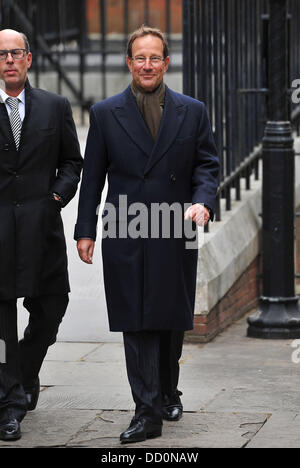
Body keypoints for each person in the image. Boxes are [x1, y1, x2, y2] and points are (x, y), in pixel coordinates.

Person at [75, 25, 219, 444]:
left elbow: (206, 165)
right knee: (136, 320)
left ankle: (168, 390)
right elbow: (92, 178)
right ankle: (147, 410)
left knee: (171, 318)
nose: (147, 65)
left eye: (155, 57)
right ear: (129, 62)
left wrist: (203, 201)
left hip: (175, 226)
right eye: (140, 57)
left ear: (166, 62)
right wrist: (86, 231)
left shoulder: (192, 110)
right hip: (126, 228)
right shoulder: (104, 113)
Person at [0, 29, 82, 441]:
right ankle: (9, 402)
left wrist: (56, 198)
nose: (9, 60)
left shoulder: (55, 106)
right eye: (2, 55)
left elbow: (72, 161)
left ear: (29, 59)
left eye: (16, 53)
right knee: (0, 325)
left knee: (52, 308)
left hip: (42, 227)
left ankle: (24, 371)